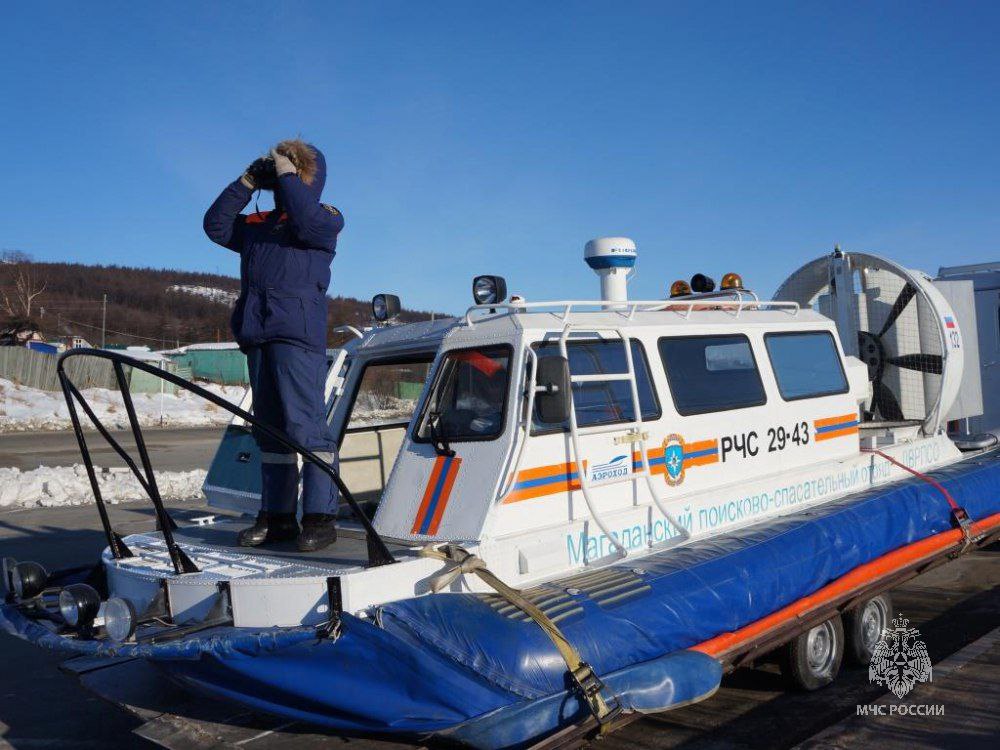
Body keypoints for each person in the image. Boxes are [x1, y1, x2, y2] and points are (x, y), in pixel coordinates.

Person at [203, 140, 344, 552]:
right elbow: (215, 226)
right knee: (270, 433)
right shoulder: (258, 227)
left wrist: (287, 174)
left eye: (290, 170)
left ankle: (320, 517)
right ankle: (279, 518)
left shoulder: (324, 220)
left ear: (306, 176)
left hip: (296, 336)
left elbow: (303, 215)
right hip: (258, 334)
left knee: (307, 428)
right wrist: (246, 182)